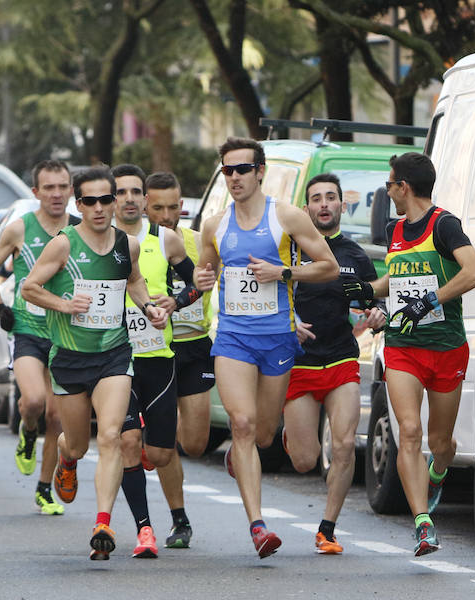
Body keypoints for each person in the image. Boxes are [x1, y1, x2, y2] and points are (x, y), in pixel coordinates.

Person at [194, 137, 339, 558]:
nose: (235, 177)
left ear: (260, 172)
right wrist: (200, 284)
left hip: (277, 338)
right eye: (228, 171)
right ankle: (258, 527)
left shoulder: (287, 216)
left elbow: (327, 266)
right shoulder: (215, 224)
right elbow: (205, 275)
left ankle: (241, 459)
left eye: (242, 169)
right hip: (233, 339)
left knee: (262, 434)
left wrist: (284, 272)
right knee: (240, 423)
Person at [20, 166, 168, 560]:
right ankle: (66, 459)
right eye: (90, 201)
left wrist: (149, 306)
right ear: (78, 203)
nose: (100, 208)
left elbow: (133, 279)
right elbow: (29, 287)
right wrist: (64, 305)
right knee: (79, 443)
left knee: (113, 436)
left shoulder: (128, 244)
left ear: (116, 200)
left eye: (108, 199)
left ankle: (102, 521)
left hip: (114, 353)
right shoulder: (62, 245)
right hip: (69, 358)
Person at [343, 152, 475, 556]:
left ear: (403, 186)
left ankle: (438, 471)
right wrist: (370, 291)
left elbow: (474, 272)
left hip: (446, 348)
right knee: (408, 430)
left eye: (390, 185)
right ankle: (423, 524)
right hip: (403, 346)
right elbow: (399, 276)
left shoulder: (444, 224)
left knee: (441, 442)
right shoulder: (394, 230)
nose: (388, 192)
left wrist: (429, 301)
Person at [282, 173, 385, 554]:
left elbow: (374, 304)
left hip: (342, 358)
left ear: (343, 206)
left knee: (343, 446)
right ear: (306, 208)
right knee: (305, 462)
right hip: (300, 363)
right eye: (316, 199)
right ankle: (290, 437)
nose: (323, 204)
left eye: (331, 198)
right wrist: (287, 325)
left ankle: (327, 529)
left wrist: (377, 316)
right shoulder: (289, 249)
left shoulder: (355, 256)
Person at [111, 164, 199, 558]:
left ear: (145, 201)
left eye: (135, 192)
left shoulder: (166, 240)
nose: (128, 198)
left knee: (161, 452)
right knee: (128, 441)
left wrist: (175, 303)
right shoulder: (92, 242)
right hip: (113, 361)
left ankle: (178, 516)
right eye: (120, 192)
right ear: (110, 200)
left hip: (158, 357)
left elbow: (197, 284)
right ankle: (144, 529)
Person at [0, 160, 78, 516]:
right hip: (28, 329)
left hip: (67, 334)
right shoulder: (19, 228)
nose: (56, 194)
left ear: (71, 190)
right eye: (48, 188)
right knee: (35, 401)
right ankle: (26, 430)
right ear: (35, 192)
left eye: (62, 187)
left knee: (57, 417)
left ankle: (44, 489)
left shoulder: (80, 230)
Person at [134, 171, 212, 550]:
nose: (166, 215)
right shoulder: (137, 245)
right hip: (153, 351)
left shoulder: (198, 242)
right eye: (158, 208)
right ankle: (179, 519)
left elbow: (213, 282)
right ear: (145, 206)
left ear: (183, 205)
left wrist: (179, 300)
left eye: (173, 207)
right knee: (163, 447)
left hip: (194, 346)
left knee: (195, 444)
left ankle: (157, 437)